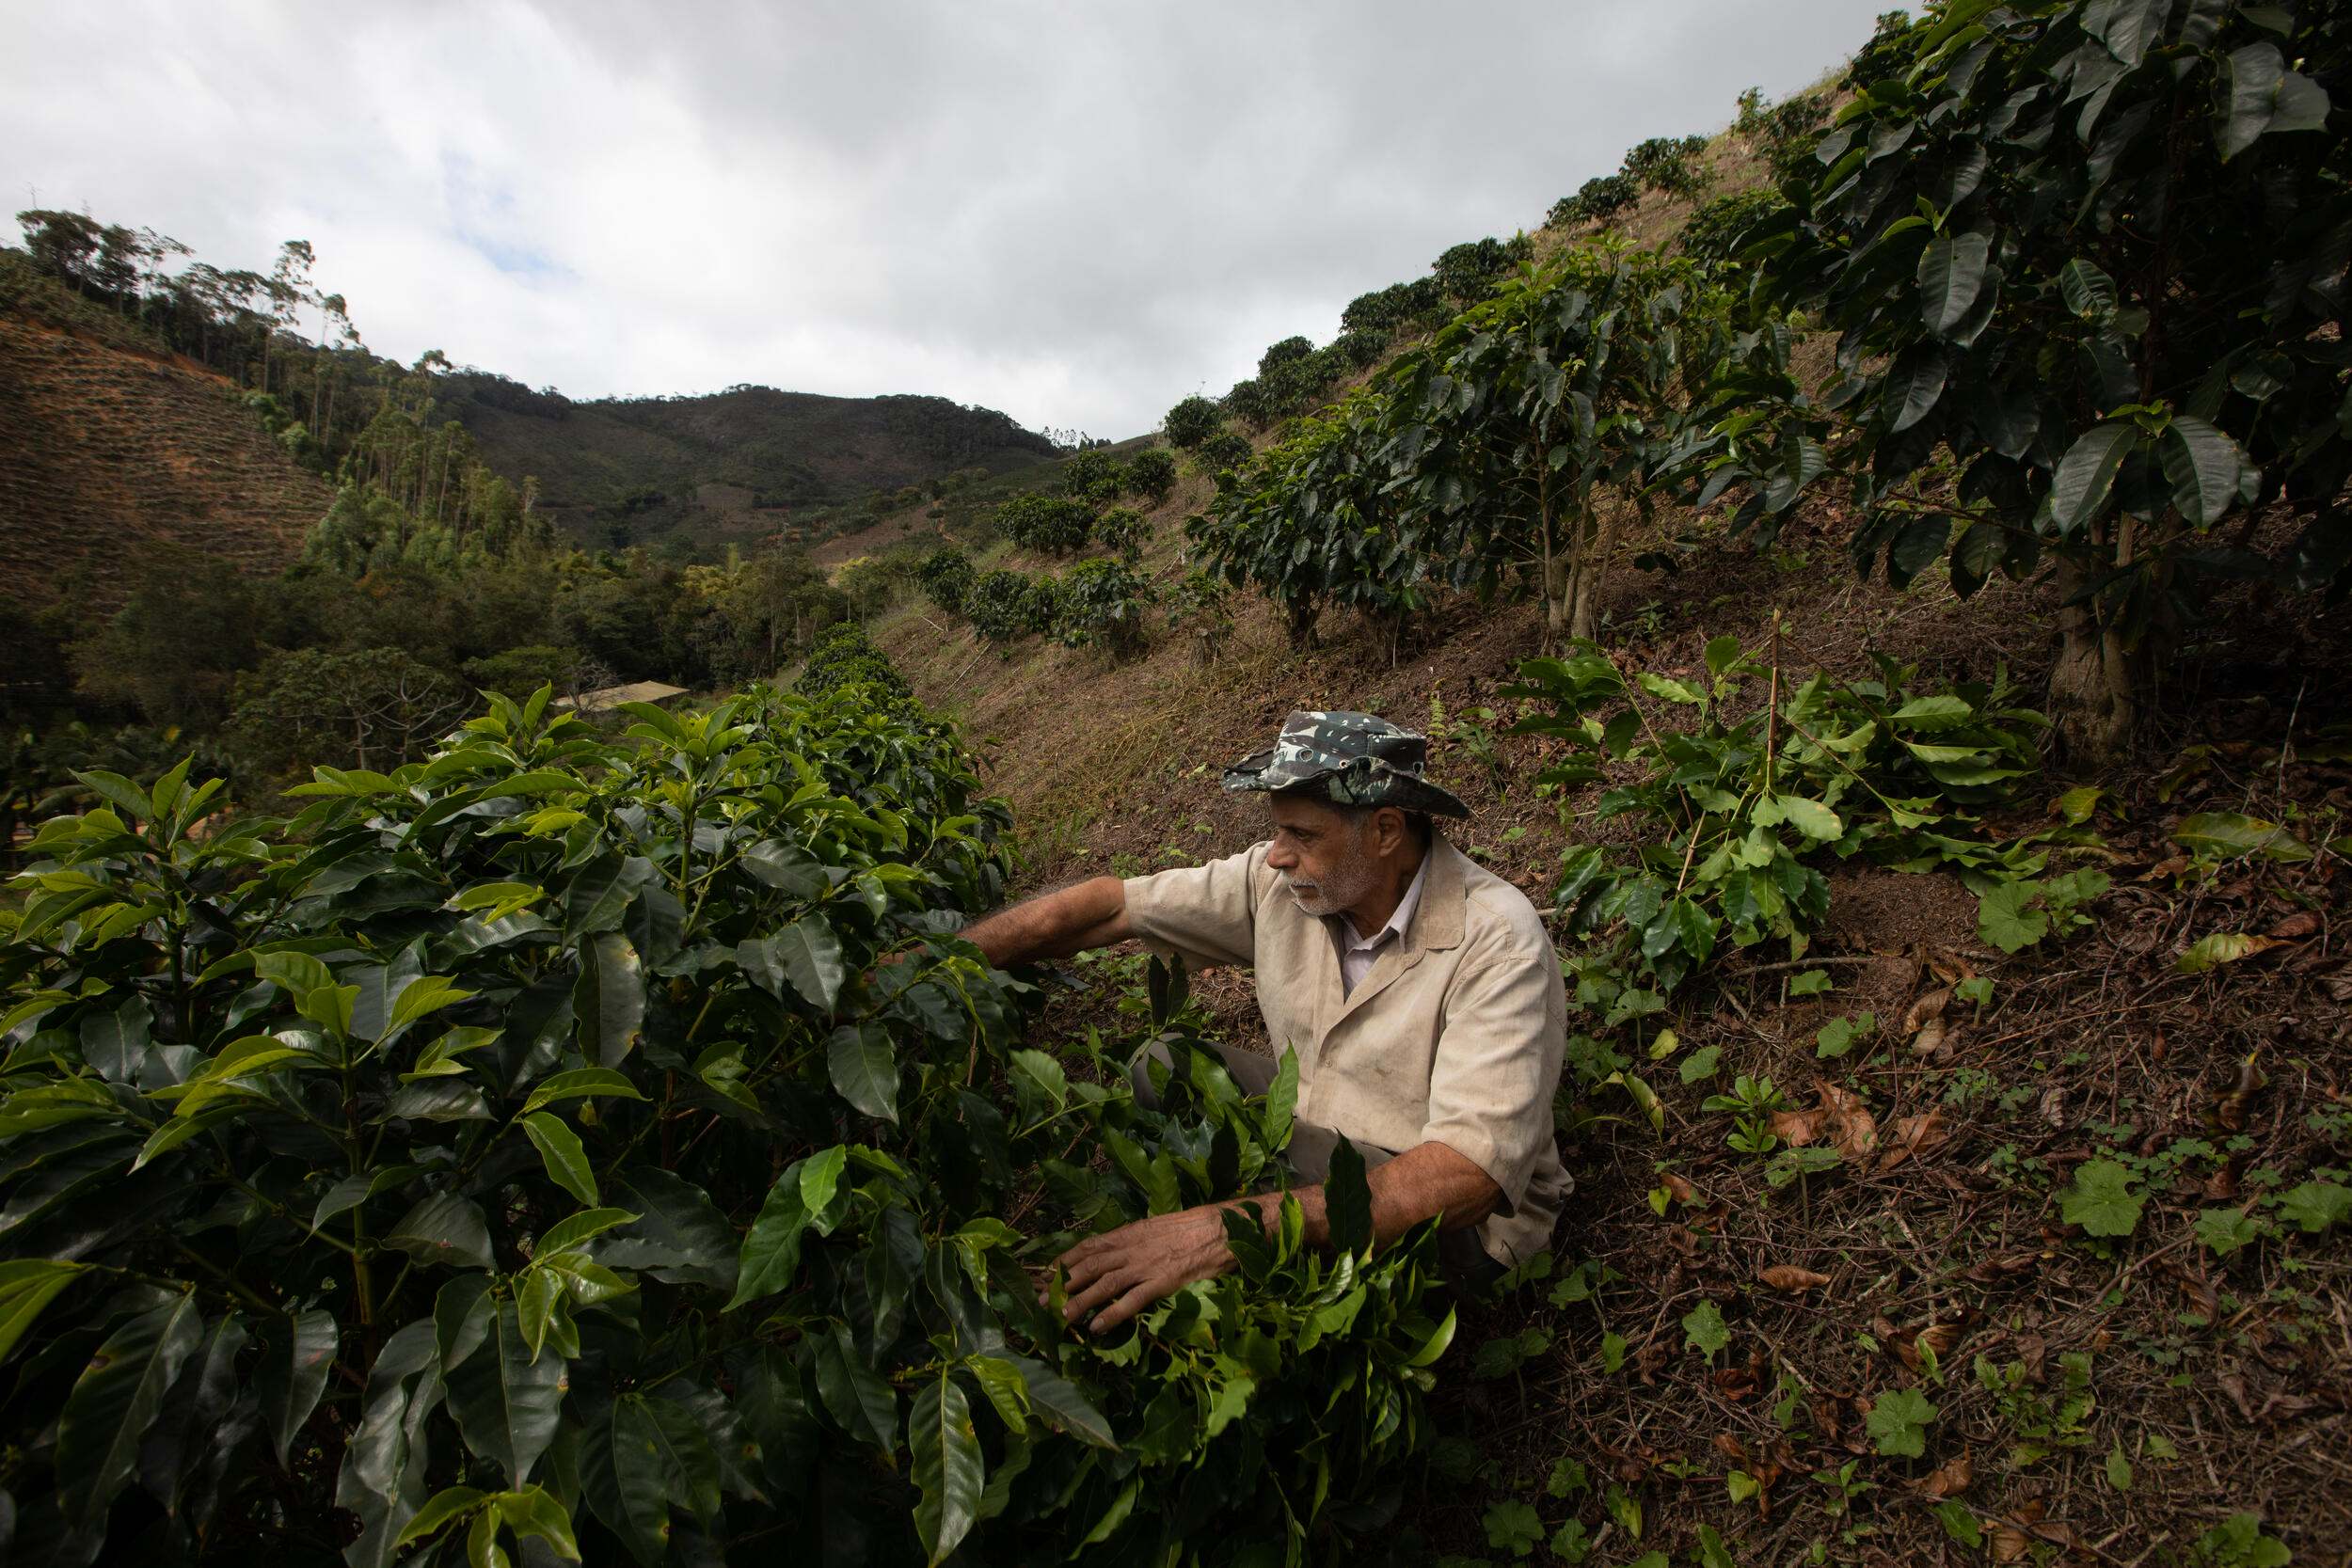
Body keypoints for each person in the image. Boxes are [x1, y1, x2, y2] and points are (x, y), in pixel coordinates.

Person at [954, 710, 1570, 1334]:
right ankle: (1199, 1247)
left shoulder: (1495, 940)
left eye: (1302, 834)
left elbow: (1466, 1178)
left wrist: (1226, 1230)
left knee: (1252, 1250)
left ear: (1386, 830)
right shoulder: (1287, 887)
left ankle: (1213, 1261)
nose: (1277, 855)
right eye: (1277, 830)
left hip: (1450, 1220)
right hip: (1322, 1133)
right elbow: (1112, 908)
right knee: (1166, 1064)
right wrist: (941, 960)